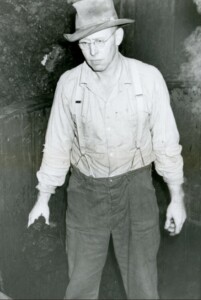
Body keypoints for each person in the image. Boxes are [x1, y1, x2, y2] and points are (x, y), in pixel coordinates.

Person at [28, 0, 186, 299]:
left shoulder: (148, 78)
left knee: (143, 283)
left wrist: (176, 198)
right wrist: (43, 198)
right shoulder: (69, 84)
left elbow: (166, 143)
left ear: (118, 37)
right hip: (86, 194)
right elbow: (57, 146)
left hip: (135, 189)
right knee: (80, 285)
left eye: (100, 41)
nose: (93, 51)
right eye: (85, 43)